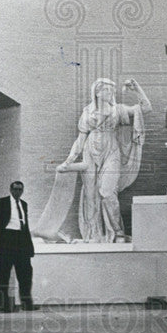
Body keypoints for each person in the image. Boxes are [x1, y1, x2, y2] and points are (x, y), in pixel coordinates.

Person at [58, 78, 152, 242]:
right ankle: (94, 234)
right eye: (108, 90)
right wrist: (68, 161)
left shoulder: (118, 110)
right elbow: (80, 140)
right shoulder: (87, 112)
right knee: (91, 194)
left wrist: (137, 89)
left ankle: (118, 231)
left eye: (112, 91)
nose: (111, 93)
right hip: (90, 151)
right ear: (97, 92)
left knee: (107, 192)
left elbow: (146, 108)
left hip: (111, 151)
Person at [0, 180, 35, 312]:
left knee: (25, 274)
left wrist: (29, 246)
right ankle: (4, 305)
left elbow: (25, 226)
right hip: (7, 240)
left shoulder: (24, 204)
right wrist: (0, 237)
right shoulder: (0, 203)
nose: (18, 192)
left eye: (20, 190)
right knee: (4, 275)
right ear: (10, 190)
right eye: (15, 189)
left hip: (22, 241)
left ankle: (26, 302)